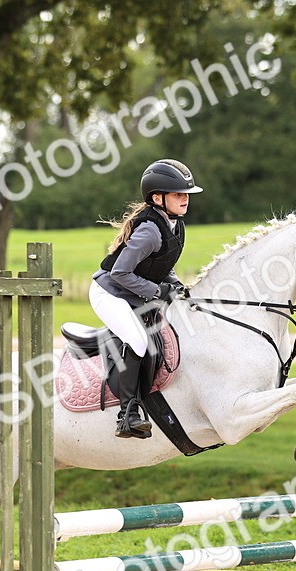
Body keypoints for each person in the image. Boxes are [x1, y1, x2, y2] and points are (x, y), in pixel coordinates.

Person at [91, 159, 201, 439]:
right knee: (139, 340)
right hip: (109, 293)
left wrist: (176, 285)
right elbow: (119, 272)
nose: (184, 199)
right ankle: (127, 414)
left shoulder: (175, 225)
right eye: (178, 194)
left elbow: (162, 265)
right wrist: (157, 292)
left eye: (186, 194)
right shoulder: (150, 230)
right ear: (157, 198)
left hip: (130, 291)